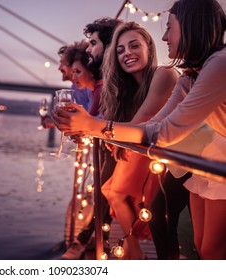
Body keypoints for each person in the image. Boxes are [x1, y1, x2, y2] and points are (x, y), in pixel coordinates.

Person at [53, 0, 226, 260]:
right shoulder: (191, 75)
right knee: (203, 247)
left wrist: (94, 127)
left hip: (213, 160)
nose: (165, 36)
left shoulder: (220, 64)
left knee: (211, 250)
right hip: (208, 163)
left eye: (170, 28)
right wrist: (93, 128)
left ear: (192, 25)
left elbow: (164, 132)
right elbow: (153, 126)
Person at [55, 21, 179, 259]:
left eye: (134, 46)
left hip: (175, 156)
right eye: (121, 50)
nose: (127, 54)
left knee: (138, 205)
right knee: (115, 192)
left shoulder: (164, 74)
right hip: (146, 148)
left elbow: (142, 122)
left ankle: (134, 251)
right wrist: (89, 130)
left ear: (149, 48)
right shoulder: (125, 86)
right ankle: (134, 251)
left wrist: (90, 127)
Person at [60, 17, 122, 260]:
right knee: (103, 193)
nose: (89, 49)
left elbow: (99, 120)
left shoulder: (106, 85)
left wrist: (83, 126)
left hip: (116, 150)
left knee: (105, 194)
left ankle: (91, 242)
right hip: (107, 148)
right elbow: (93, 120)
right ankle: (97, 241)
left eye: (93, 43)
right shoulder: (100, 86)